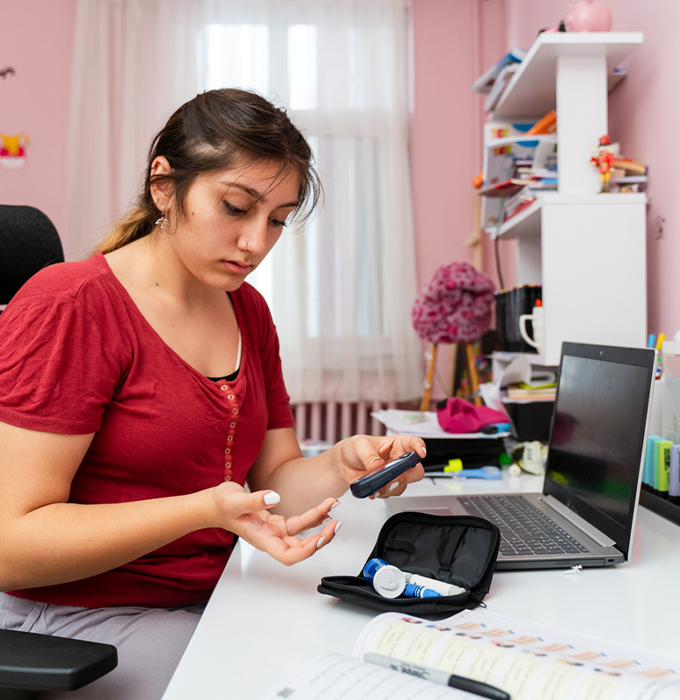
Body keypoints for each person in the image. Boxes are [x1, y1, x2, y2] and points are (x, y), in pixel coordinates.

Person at [0, 88, 426, 699]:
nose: (257, 242)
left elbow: (272, 483)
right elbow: (11, 549)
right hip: (69, 623)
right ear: (165, 186)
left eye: (278, 219)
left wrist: (341, 464)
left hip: (208, 599)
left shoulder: (247, 311)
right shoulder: (73, 306)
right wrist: (201, 509)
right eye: (236, 206)